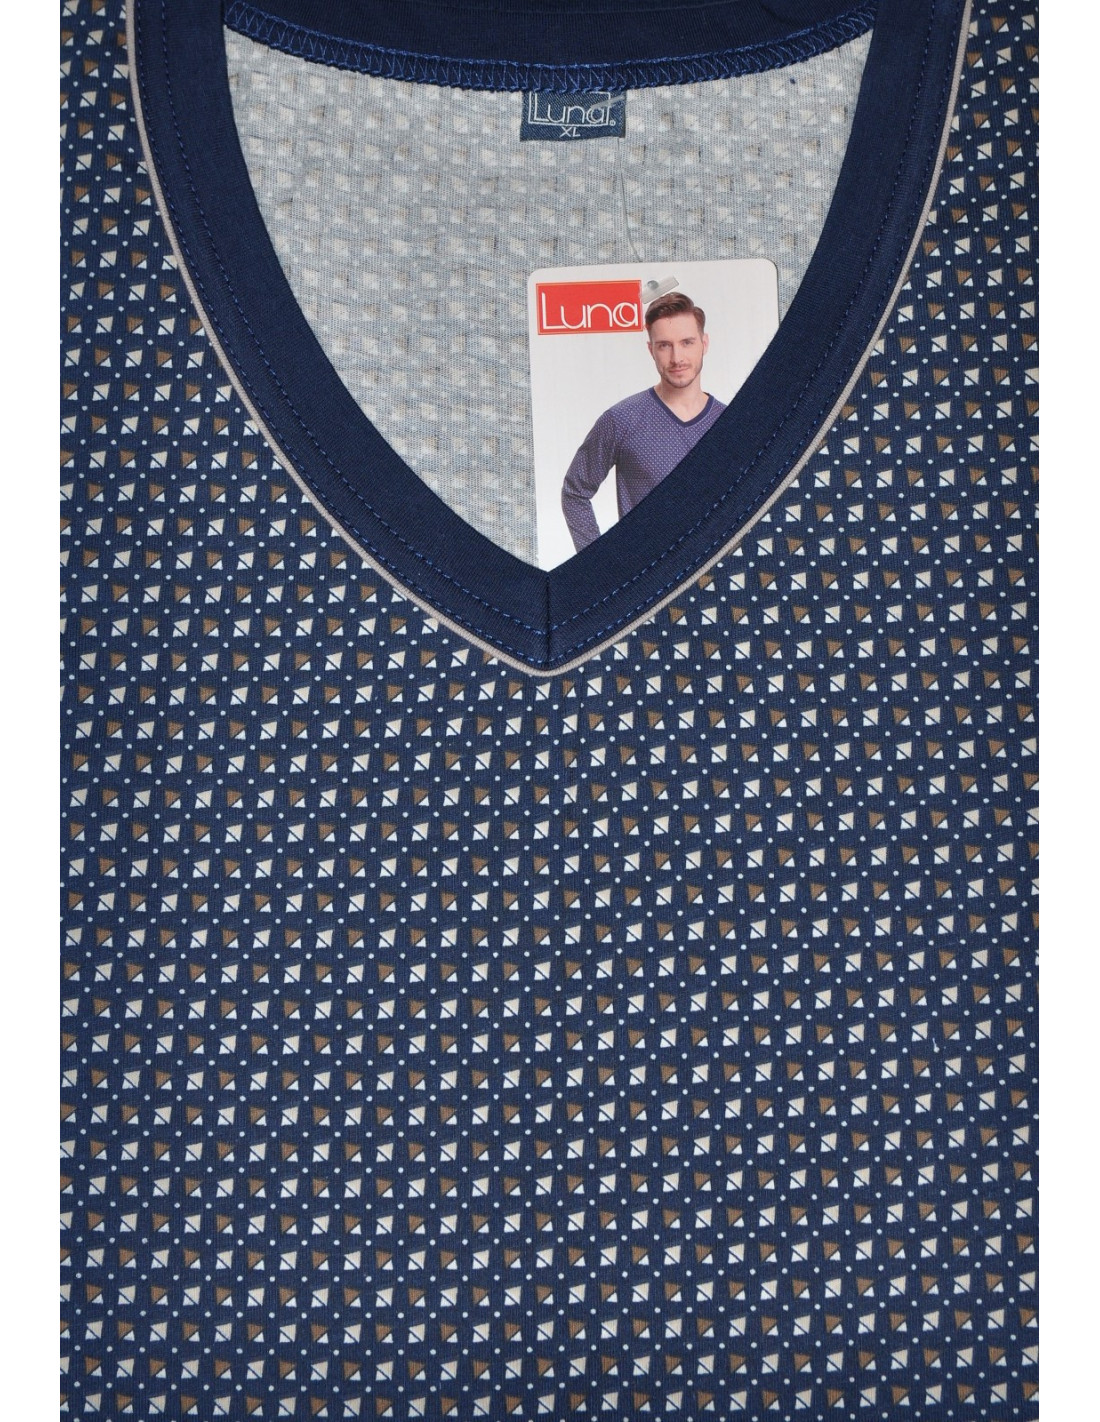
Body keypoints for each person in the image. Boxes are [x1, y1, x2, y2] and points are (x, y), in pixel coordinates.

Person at [561, 292, 727, 552]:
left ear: (704, 344)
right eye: (664, 345)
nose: (677, 358)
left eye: (687, 342)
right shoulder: (621, 420)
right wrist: (597, 563)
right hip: (647, 572)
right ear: (651, 350)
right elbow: (575, 492)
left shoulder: (730, 424)